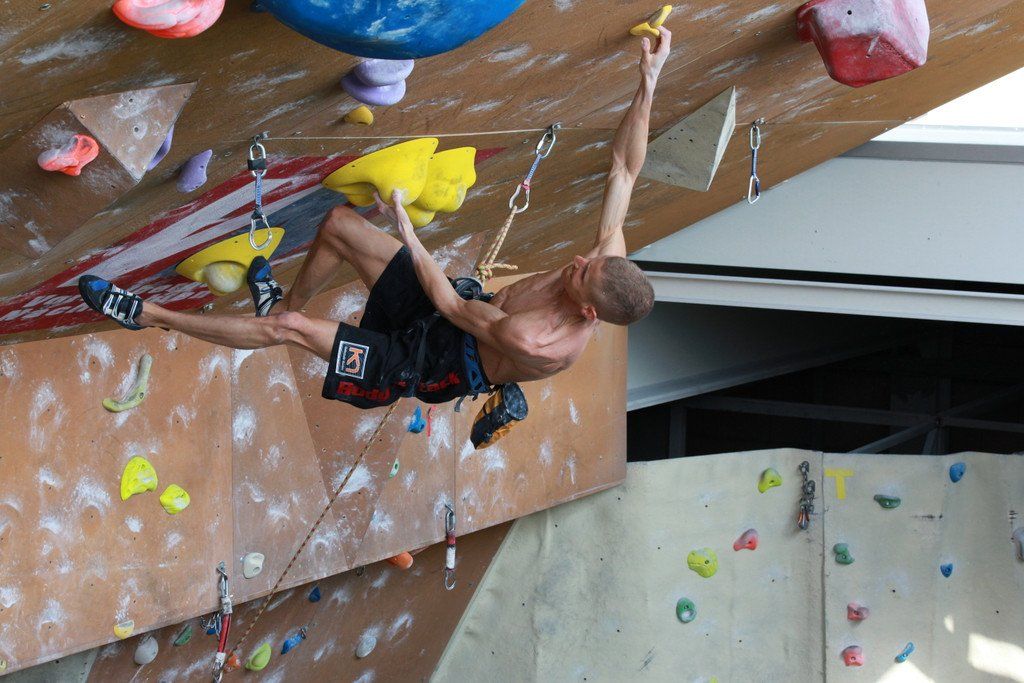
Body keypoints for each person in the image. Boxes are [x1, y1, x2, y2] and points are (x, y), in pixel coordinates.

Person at [78, 28, 671, 411]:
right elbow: (624, 169)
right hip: (450, 313)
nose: (579, 260)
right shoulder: (604, 268)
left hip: (422, 363)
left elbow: (451, 305)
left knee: (291, 334)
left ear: (589, 312)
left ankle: (148, 316)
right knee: (340, 225)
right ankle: (280, 304)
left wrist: (408, 231)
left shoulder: (538, 341)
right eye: (591, 260)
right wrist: (649, 80)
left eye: (582, 273)